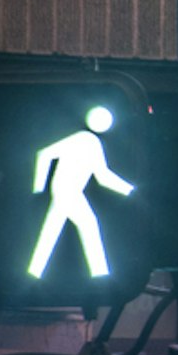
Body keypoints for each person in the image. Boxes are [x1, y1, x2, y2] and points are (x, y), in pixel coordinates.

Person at [26, 105, 131, 283]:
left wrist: (129, 191)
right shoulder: (84, 139)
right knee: (88, 225)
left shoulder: (92, 142)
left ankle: (34, 273)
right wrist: (38, 187)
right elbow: (44, 154)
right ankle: (100, 275)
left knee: (52, 230)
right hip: (67, 190)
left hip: (68, 190)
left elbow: (102, 176)